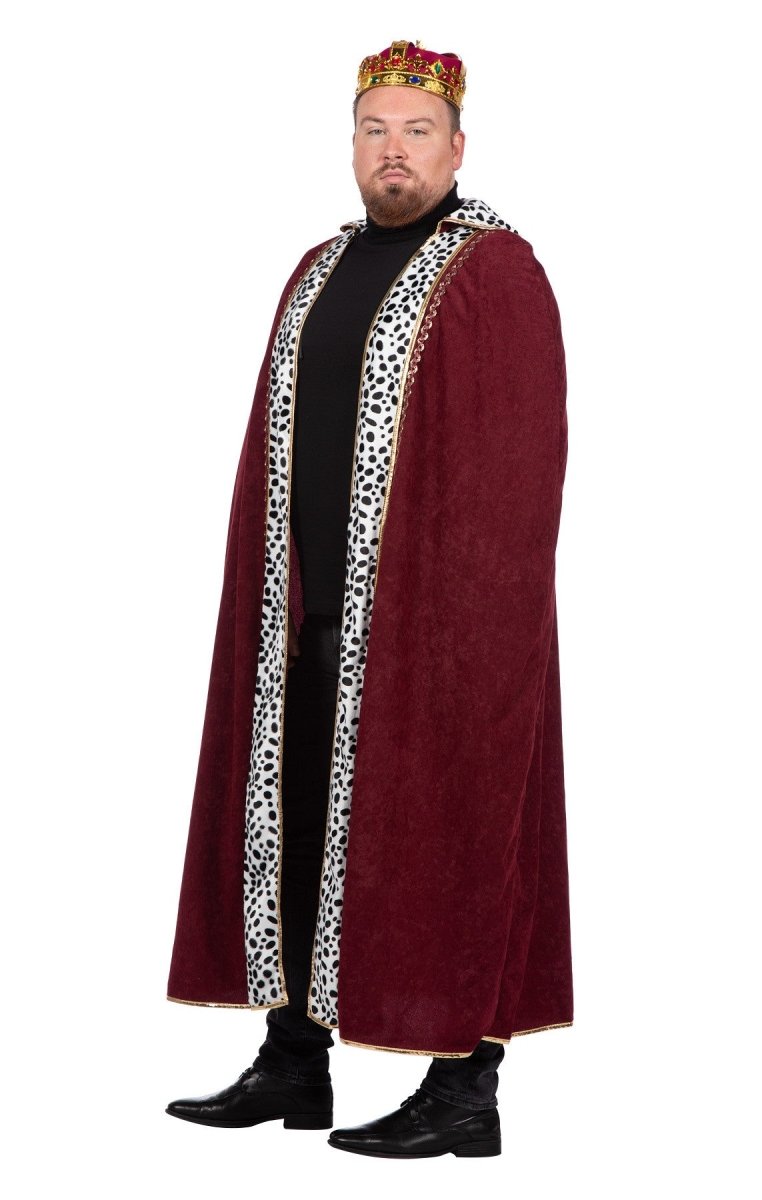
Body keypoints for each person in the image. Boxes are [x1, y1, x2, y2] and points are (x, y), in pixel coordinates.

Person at [165, 38, 573, 1159]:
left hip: (437, 632)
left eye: (417, 132)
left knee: (456, 835)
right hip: (304, 618)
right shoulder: (317, 267)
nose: (394, 151)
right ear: (352, 145)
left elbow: (518, 478)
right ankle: (294, 1058)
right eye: (374, 130)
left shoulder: (493, 272)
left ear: (457, 147)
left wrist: (459, 633)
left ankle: (465, 1090)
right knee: (294, 825)